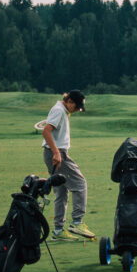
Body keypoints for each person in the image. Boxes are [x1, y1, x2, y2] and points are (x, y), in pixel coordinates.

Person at [41, 90, 94, 241]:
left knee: (62, 191)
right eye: (76, 107)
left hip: (52, 153)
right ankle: (77, 222)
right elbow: (46, 131)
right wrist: (57, 153)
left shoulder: (61, 109)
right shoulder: (59, 110)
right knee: (80, 183)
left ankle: (58, 231)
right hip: (58, 154)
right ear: (69, 101)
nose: (77, 110)